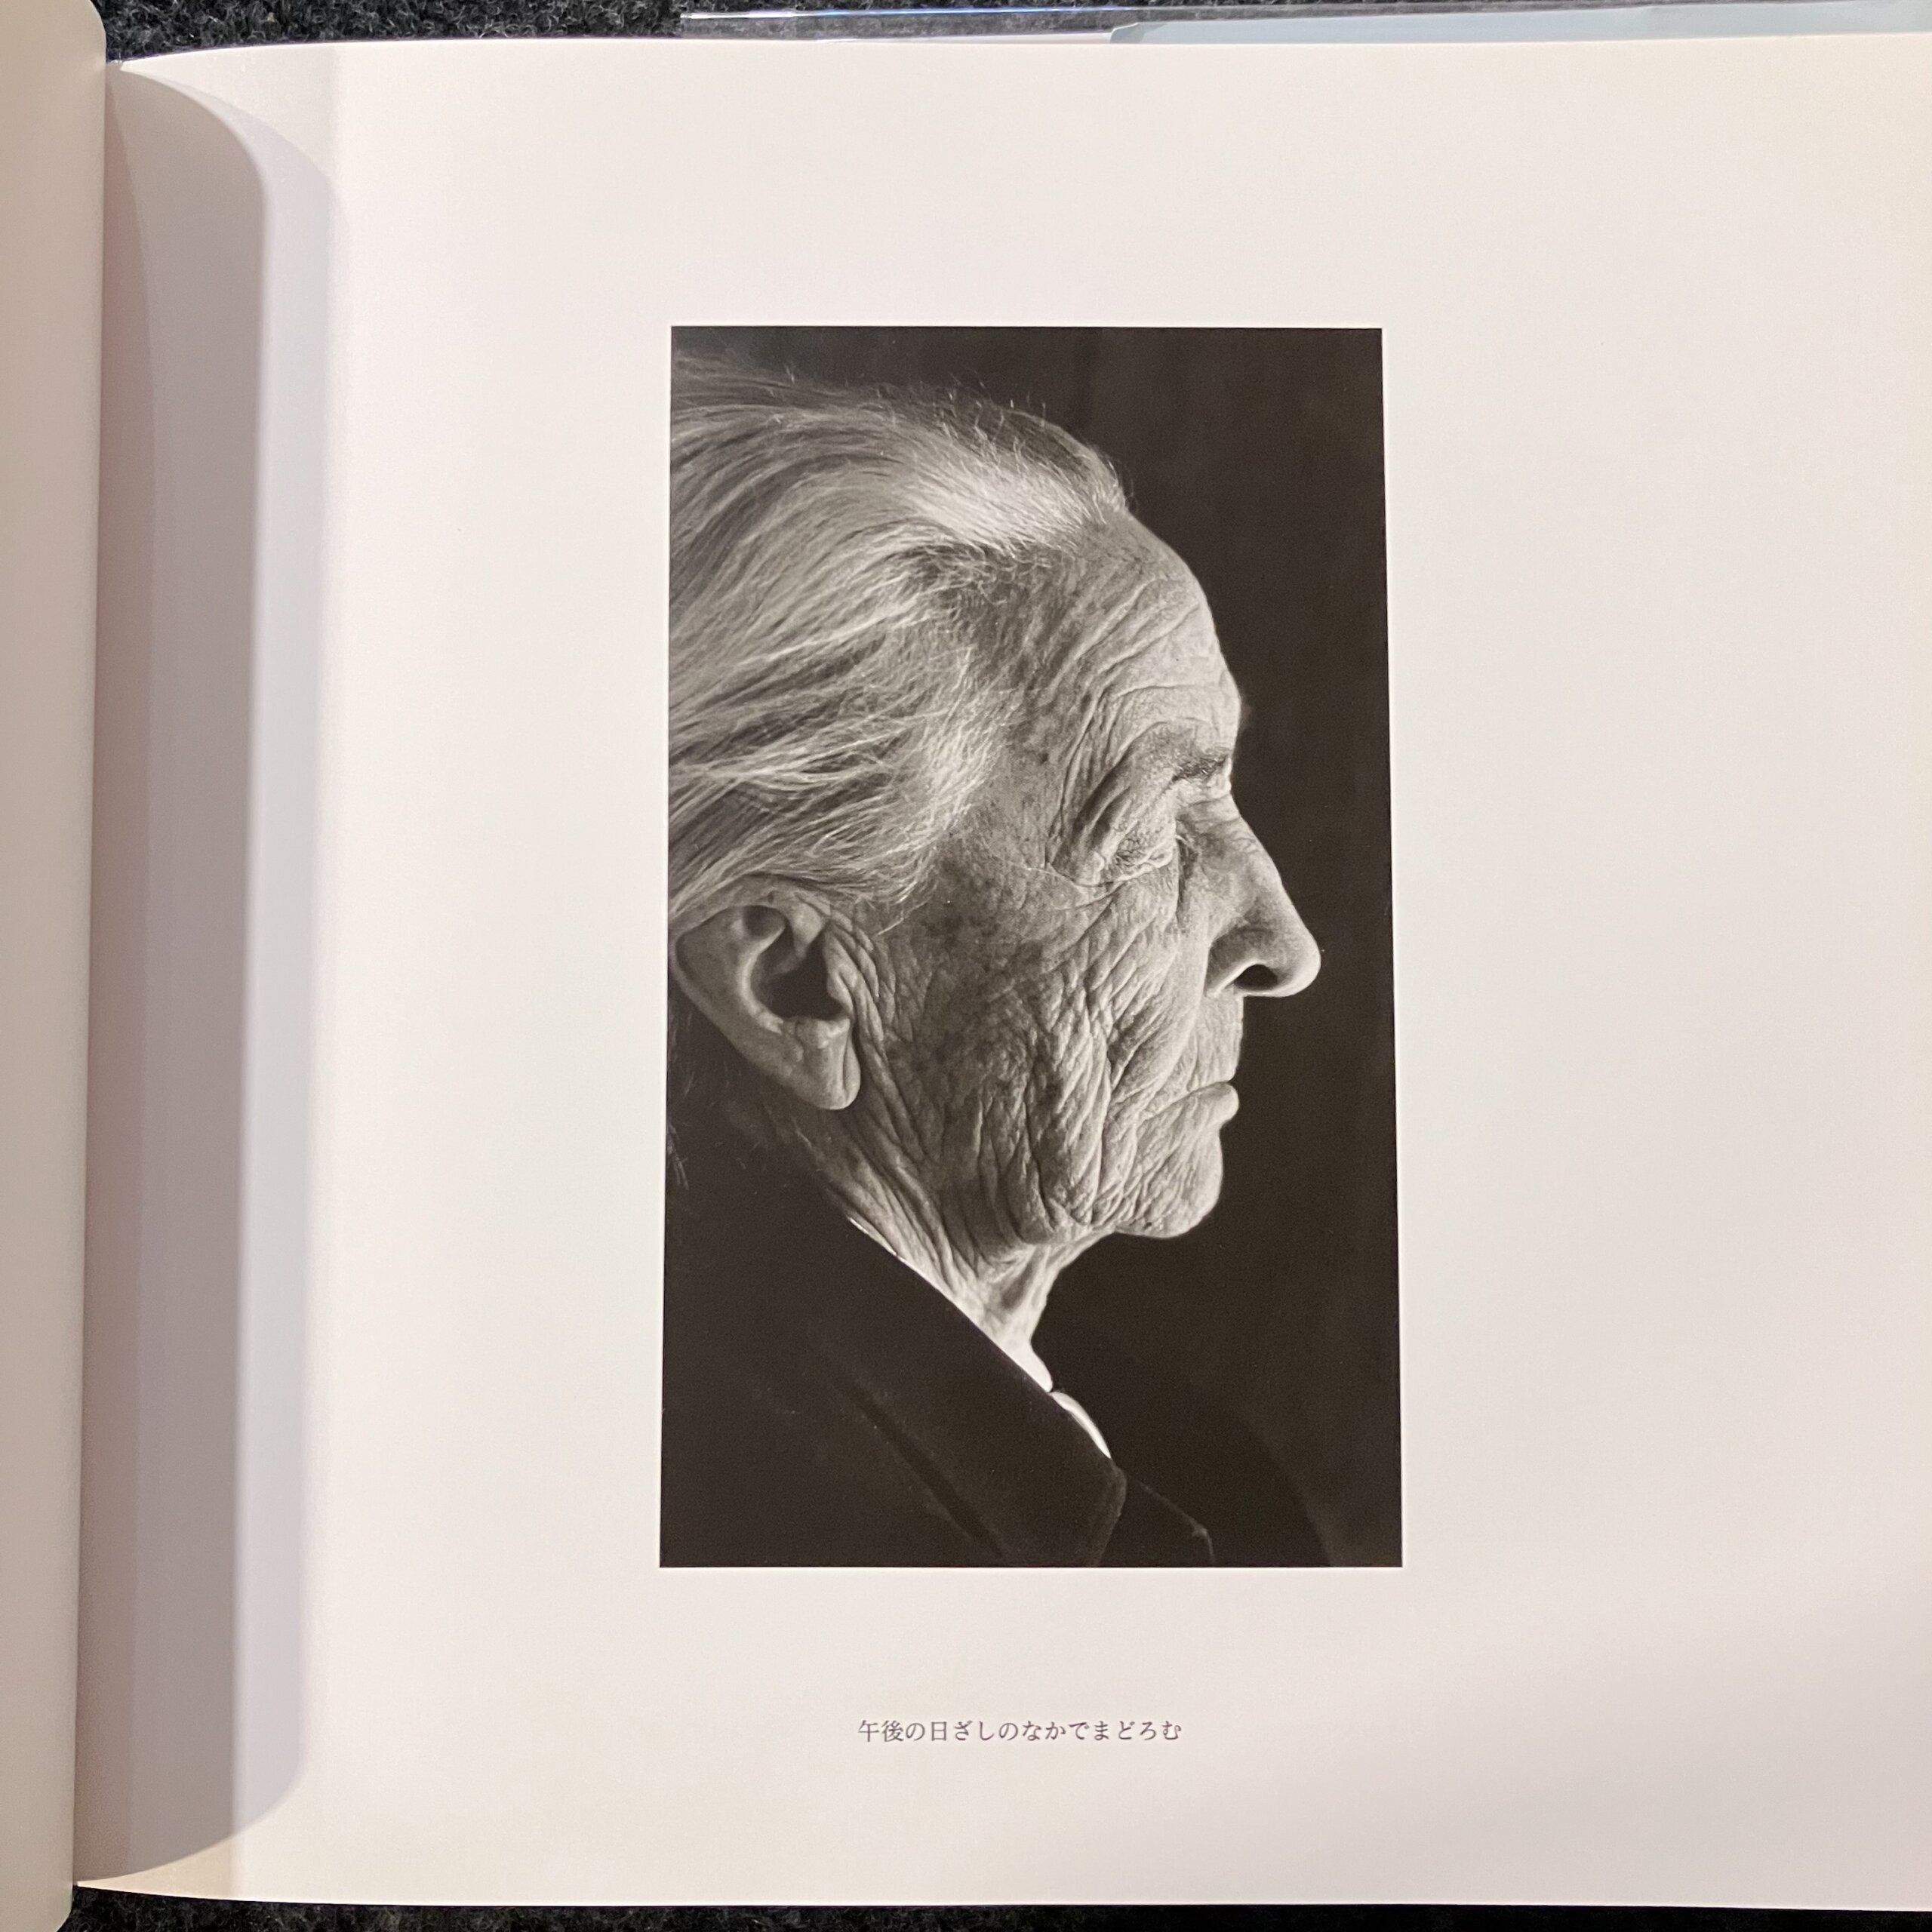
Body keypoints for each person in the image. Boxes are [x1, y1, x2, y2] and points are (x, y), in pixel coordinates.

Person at [661, 354, 1327, 1566]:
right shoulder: (799, 1539)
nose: (1285, 946)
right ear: (798, 988)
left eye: (1225, 792)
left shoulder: (1170, 1457)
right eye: (1151, 834)